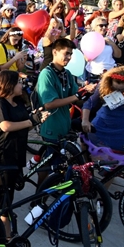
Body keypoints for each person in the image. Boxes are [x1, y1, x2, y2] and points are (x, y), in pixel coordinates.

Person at [0, 71, 49, 237]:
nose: (22, 85)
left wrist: (37, 119)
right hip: (1, 157)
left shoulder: (18, 103)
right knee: (7, 198)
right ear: (9, 85)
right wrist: (31, 121)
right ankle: (8, 238)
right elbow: (5, 126)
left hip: (16, 154)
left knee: (0, 190)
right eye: (19, 83)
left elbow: (24, 125)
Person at [36, 38, 96, 181]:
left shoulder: (67, 74)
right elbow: (49, 104)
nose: (69, 58)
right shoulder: (47, 74)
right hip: (51, 126)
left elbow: (77, 98)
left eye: (71, 55)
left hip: (64, 124)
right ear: (55, 52)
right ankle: (40, 195)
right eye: (66, 53)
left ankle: (41, 190)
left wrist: (89, 92)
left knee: (50, 160)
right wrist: (77, 95)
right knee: (55, 166)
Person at [81, 66, 124, 151]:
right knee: (94, 151)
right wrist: (85, 120)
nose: (117, 91)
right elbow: (89, 103)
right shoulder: (103, 85)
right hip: (102, 124)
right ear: (110, 82)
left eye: (122, 89)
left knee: (116, 155)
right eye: (114, 88)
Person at [85, 17, 121, 82]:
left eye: (105, 25)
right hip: (95, 73)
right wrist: (99, 44)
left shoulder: (109, 39)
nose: (104, 28)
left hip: (110, 72)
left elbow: (118, 55)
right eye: (101, 25)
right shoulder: (89, 39)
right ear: (94, 27)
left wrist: (112, 43)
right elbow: (88, 58)